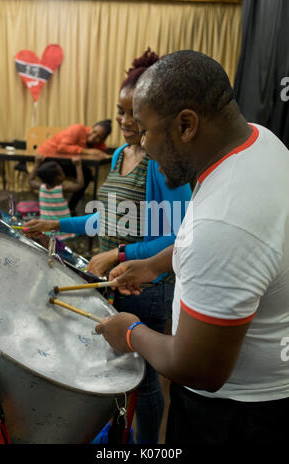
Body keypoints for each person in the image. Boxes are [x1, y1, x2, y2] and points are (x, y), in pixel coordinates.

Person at [93, 50, 289, 445]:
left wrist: (130, 331)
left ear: (186, 125)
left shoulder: (225, 221)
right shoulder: (257, 140)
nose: (144, 144)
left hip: (234, 415)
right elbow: (220, 245)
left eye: (146, 131)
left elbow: (199, 369)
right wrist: (155, 263)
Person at [24, 49, 192, 444]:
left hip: (146, 288)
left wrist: (119, 254)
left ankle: (148, 446)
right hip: (115, 283)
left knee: (144, 382)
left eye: (134, 113)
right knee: (118, 374)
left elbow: (181, 235)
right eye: (120, 112)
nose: (125, 121)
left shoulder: (160, 163)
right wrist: (57, 223)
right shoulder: (119, 155)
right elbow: (109, 220)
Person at [37, 120, 112, 214]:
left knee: (86, 175)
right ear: (91, 127)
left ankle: (70, 208)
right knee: (53, 173)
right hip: (48, 159)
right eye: (94, 132)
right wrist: (87, 151)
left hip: (64, 162)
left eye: (98, 137)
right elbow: (62, 147)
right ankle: (47, 208)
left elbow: (101, 149)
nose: (93, 137)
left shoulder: (97, 142)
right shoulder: (77, 129)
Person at [28, 154, 84, 238]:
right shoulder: (62, 189)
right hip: (63, 230)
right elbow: (80, 185)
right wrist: (78, 166)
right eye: (61, 172)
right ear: (58, 177)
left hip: (46, 230)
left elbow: (30, 181)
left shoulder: (41, 187)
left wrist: (37, 163)